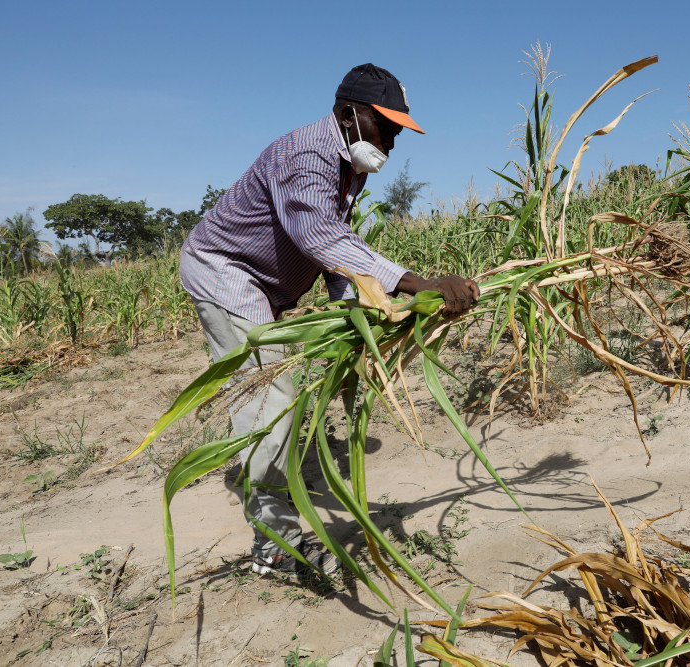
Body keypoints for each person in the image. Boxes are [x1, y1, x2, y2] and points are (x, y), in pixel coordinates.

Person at [179, 63, 479, 575]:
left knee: (278, 394)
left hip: (269, 284)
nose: (391, 140)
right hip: (227, 271)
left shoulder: (349, 166)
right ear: (347, 114)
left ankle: (279, 479)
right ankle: (274, 543)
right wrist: (418, 283)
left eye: (397, 130)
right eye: (383, 126)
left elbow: (332, 258)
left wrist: (369, 312)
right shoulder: (307, 155)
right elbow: (322, 239)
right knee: (269, 398)